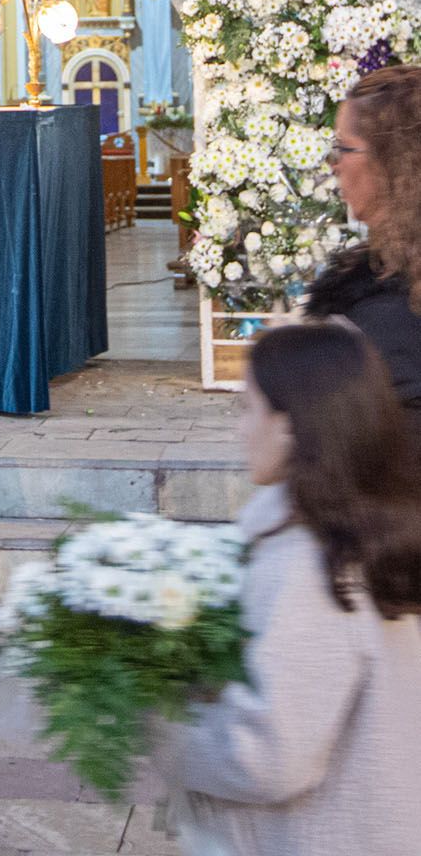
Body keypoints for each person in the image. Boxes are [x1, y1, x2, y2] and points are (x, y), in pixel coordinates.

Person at [153, 320, 421, 855]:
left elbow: (267, 757)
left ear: (293, 426)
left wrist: (157, 722)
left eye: (247, 408)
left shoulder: (309, 563)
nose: (239, 429)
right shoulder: (373, 528)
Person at [306, 62, 421, 443]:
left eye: (342, 147)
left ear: (392, 163)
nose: (333, 163)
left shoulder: (387, 317)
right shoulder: (374, 279)